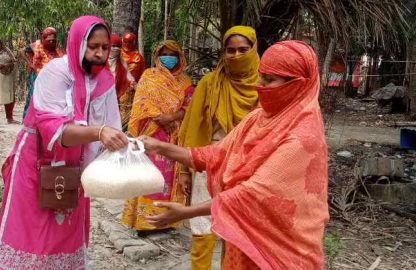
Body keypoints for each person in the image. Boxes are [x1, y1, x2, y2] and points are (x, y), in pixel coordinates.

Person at [139, 40, 329, 269]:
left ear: (298, 84)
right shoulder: (260, 118)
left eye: (269, 80)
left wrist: (187, 211)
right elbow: (216, 154)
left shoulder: (303, 136)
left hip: (279, 249)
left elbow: (253, 194)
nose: (260, 85)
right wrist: (159, 147)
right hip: (244, 236)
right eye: (261, 76)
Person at [0, 16, 129, 269]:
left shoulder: (105, 79)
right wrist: (99, 133)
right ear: (77, 43)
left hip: (75, 164)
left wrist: (124, 145)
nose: (99, 54)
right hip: (37, 159)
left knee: (64, 231)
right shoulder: (56, 72)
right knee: (32, 229)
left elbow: (110, 125)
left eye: (104, 48)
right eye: (93, 46)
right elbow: (55, 130)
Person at [176, 26, 260, 269]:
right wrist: (184, 170)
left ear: (254, 50)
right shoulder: (209, 83)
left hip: (249, 165)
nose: (236, 55)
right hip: (208, 162)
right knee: (202, 225)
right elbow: (192, 129)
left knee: (238, 229)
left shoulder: (265, 85)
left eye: (243, 50)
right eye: (230, 50)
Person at [121, 40, 194, 232]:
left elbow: (189, 106)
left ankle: (166, 221)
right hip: (151, 133)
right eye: (165, 54)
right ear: (157, 57)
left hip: (174, 135)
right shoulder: (148, 75)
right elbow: (141, 101)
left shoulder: (185, 82)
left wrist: (172, 117)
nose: (168, 58)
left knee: (168, 178)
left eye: (173, 54)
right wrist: (161, 119)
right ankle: (143, 222)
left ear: (179, 57)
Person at [20, 27, 65, 119]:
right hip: (37, 76)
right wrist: (30, 64)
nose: (51, 42)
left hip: (52, 79)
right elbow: (21, 51)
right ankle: (28, 119)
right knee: (33, 97)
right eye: (49, 40)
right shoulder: (36, 46)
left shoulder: (59, 50)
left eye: (53, 40)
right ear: (43, 39)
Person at [108, 33, 136, 130]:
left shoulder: (122, 62)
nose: (115, 49)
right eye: (113, 46)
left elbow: (129, 78)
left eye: (118, 46)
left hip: (118, 99)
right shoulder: (99, 62)